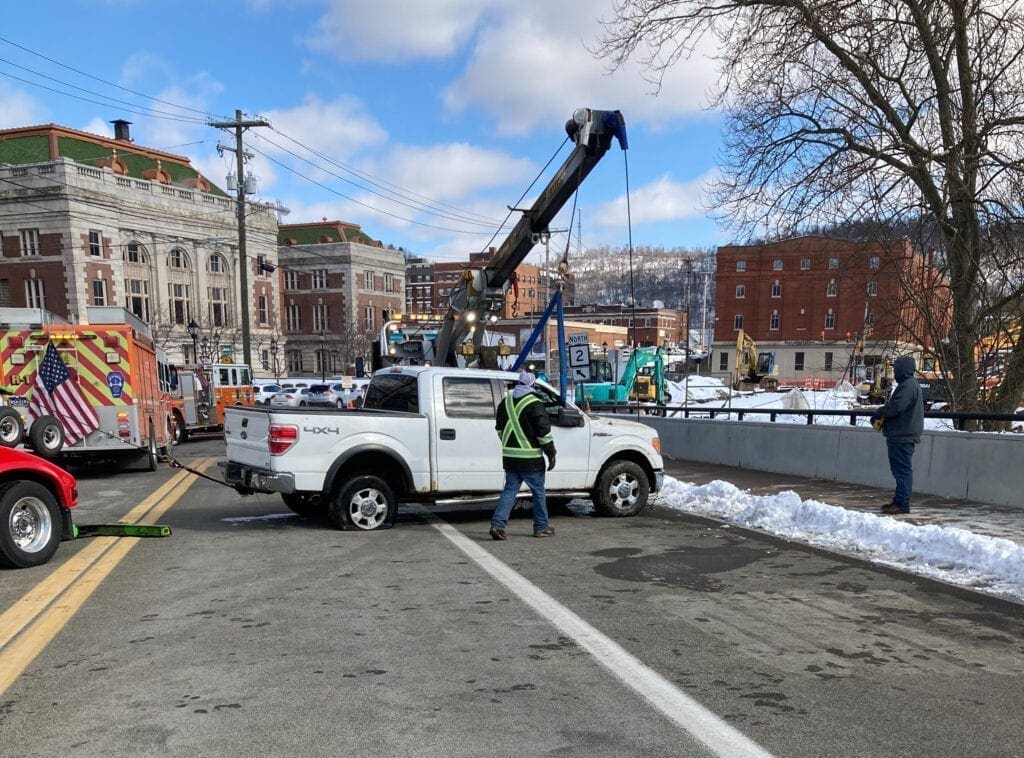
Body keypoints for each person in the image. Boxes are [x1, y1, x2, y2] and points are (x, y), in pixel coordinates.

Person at [489, 371, 557, 540]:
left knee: (510, 491)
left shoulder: (505, 402)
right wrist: (551, 453)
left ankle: (497, 525)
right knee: (538, 492)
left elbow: (499, 429)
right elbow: (544, 433)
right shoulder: (535, 404)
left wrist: (511, 444)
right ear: (533, 385)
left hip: (510, 458)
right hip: (531, 459)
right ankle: (541, 527)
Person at [870, 355, 924, 514]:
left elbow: (896, 407)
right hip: (904, 433)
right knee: (901, 470)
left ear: (902, 369)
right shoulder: (911, 384)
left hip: (902, 434)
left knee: (902, 471)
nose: (894, 372)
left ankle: (901, 503)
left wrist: (880, 411)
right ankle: (899, 501)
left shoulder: (908, 385)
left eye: (896, 369)